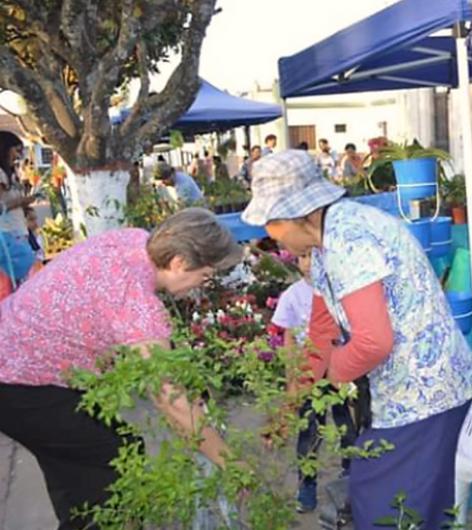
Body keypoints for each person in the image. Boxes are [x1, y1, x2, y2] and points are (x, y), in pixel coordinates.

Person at [241, 151, 472, 529]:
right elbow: (321, 332)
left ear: (299, 213)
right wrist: (290, 405)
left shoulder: (347, 241)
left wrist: (332, 380)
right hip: (406, 391)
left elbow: (373, 343)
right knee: (386, 494)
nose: (270, 236)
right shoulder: (324, 243)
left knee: (389, 507)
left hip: (426, 391)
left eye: (270, 222)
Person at [0, 208, 243, 530]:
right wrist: (233, 465)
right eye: (206, 276)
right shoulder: (137, 304)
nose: (202, 285)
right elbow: (171, 402)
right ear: (180, 263)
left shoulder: (133, 239)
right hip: (17, 383)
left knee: (79, 464)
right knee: (112, 460)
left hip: (19, 362)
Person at [272, 250, 356, 513]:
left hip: (340, 369)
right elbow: (287, 339)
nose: (308, 263)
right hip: (309, 373)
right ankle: (307, 485)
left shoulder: (340, 289)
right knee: (308, 430)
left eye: (314, 256)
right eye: (303, 257)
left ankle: (351, 475)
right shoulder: (291, 296)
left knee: (347, 424)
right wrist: (292, 374)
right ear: (296, 262)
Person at [0, 133, 35, 283]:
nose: (18, 154)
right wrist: (21, 201)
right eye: (16, 149)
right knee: (19, 279)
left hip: (18, 229)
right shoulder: (1, 174)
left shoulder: (11, 173)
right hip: (9, 233)